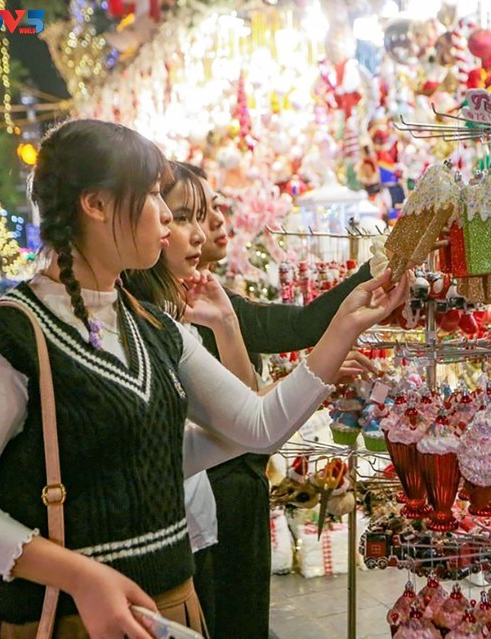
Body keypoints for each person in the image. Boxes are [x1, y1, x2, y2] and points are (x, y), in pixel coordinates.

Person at [0, 119, 408, 639]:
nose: (166, 215)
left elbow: (256, 426)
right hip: (69, 619)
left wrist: (344, 325)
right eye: (150, 195)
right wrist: (81, 577)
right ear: (95, 204)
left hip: (173, 605)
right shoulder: (12, 336)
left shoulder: (154, 326)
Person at [124, 161, 377, 637]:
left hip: (223, 500)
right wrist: (317, 368)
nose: (206, 228)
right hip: (191, 515)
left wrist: (229, 326)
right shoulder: (144, 325)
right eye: (185, 215)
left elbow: (249, 417)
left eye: (211, 211)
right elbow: (249, 420)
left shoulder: (199, 306)